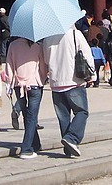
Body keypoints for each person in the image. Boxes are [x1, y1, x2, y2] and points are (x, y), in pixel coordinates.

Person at [42, 26, 94, 158]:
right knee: (81, 111)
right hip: (73, 79)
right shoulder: (76, 34)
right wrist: (92, 75)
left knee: (63, 116)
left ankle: (69, 147)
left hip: (56, 81)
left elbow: (46, 60)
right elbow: (86, 54)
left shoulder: (47, 38)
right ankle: (72, 138)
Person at [5, 36, 46, 158]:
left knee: (27, 115)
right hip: (34, 83)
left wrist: (9, 83)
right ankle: (26, 148)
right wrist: (42, 79)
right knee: (32, 116)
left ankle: (35, 143)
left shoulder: (13, 45)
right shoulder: (37, 46)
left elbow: (9, 66)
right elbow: (43, 67)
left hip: (18, 84)